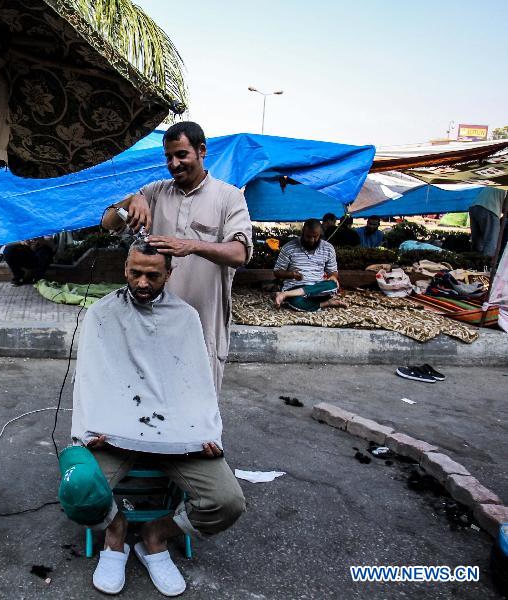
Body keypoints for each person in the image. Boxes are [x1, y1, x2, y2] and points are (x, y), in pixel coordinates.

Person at [66, 241, 245, 596]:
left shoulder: (186, 317)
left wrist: (208, 433)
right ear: (125, 270)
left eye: (153, 275)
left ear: (169, 274)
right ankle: (115, 532)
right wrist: (91, 427)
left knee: (227, 502)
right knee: (77, 490)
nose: (143, 283)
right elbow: (89, 381)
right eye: (136, 273)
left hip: (176, 434)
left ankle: (156, 534)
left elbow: (197, 385)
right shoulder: (102, 313)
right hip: (112, 432)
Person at [100, 121, 252, 397]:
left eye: (181, 155)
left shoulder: (229, 197)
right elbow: (108, 222)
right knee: (148, 403)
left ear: (201, 150)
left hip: (202, 323)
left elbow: (239, 253)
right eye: (168, 157)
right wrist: (133, 199)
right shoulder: (156, 191)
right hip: (152, 321)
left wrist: (191, 245)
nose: (174, 163)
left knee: (196, 405)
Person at [273, 219, 346, 311]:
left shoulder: (328, 248)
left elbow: (333, 273)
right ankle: (326, 303)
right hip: (294, 288)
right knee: (297, 302)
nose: (311, 240)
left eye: (315, 237)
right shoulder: (288, 247)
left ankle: (284, 294)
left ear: (320, 235)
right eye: (308, 236)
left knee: (333, 285)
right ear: (302, 232)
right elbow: (277, 272)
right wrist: (292, 274)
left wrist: (333, 277)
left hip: (318, 289)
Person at [469, 188, 506, 258]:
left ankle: (473, 262)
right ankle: (486, 264)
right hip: (490, 208)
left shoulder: (496, 180)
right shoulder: (505, 184)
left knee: (478, 242)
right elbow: (506, 206)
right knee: (491, 242)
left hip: (475, 206)